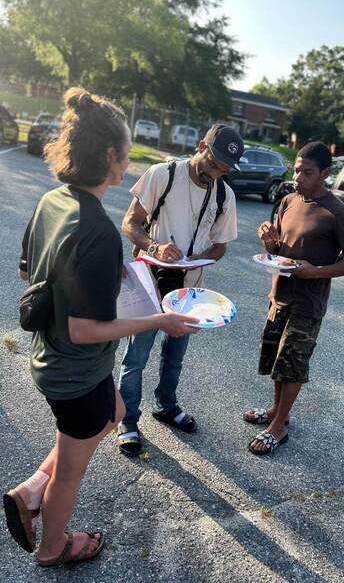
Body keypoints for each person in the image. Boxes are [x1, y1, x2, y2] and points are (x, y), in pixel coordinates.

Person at [3, 87, 198, 567]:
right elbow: (85, 330)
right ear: (109, 156)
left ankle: (31, 492)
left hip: (54, 355)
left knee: (112, 411)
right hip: (73, 369)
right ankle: (53, 547)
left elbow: (29, 271)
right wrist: (158, 320)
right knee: (71, 470)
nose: (128, 162)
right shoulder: (98, 230)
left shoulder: (53, 200)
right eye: (127, 153)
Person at [117, 124, 243, 455]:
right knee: (136, 357)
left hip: (188, 293)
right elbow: (130, 223)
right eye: (214, 164)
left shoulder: (222, 194)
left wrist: (195, 261)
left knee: (175, 357)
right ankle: (128, 420)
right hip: (149, 283)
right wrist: (154, 245)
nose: (216, 174)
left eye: (224, 170)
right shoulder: (163, 174)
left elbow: (220, 247)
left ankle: (166, 406)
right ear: (202, 146)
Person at [245, 142, 344, 455]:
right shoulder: (287, 201)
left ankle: (280, 425)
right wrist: (271, 243)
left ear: (325, 173)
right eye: (297, 169)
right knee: (275, 359)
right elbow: (281, 251)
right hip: (279, 295)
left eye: (307, 172)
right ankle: (275, 410)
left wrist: (316, 272)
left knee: (293, 365)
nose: (298, 176)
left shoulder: (337, 212)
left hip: (308, 303)